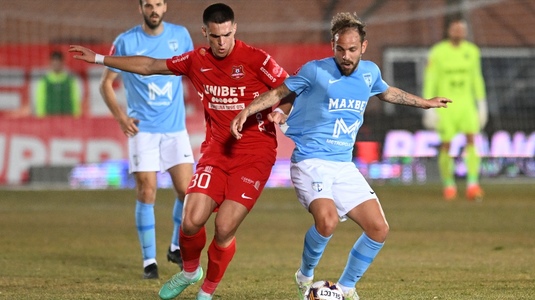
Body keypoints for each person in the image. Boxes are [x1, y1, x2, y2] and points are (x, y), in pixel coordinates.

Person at [70, 3, 289, 299]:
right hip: (217, 152)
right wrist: (99, 58)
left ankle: (207, 291)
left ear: (234, 29)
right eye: (215, 36)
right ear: (205, 33)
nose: (222, 42)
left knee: (224, 227)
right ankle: (189, 272)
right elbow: (149, 66)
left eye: (226, 35)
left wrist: (282, 112)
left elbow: (290, 87)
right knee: (190, 220)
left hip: (255, 155)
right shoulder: (195, 61)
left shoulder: (255, 58)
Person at [230, 12, 451, 300]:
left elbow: (388, 93)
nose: (345, 56)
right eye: (340, 49)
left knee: (378, 229)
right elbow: (279, 92)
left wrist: (425, 103)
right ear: (333, 45)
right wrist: (248, 110)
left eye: (352, 50)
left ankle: (346, 288)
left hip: (343, 165)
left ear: (364, 47)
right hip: (311, 162)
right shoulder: (315, 71)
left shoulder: (370, 73)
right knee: (328, 221)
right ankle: (305, 276)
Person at [99, 0, 194, 279]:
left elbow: (195, 70)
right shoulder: (126, 41)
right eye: (149, 4)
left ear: (166, 7)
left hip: (175, 129)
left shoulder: (181, 36)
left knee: (187, 192)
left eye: (159, 4)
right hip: (144, 131)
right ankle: (149, 262)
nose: (154, 9)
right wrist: (120, 117)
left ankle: (175, 247)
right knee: (147, 191)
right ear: (140, 8)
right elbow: (105, 83)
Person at [422, 18, 487, 201]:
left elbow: (476, 78)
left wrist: (481, 103)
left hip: (466, 104)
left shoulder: (472, 51)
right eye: (455, 28)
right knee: (447, 145)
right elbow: (431, 79)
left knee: (472, 140)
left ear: (465, 32)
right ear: (449, 30)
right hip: (446, 104)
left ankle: (473, 184)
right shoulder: (437, 52)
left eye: (461, 29)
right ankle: (449, 185)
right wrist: (428, 106)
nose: (458, 32)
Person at [35, 50, 82, 117]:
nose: (56, 65)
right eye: (54, 62)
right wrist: (40, 117)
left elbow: (75, 100)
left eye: (58, 62)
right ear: (50, 63)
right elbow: (40, 100)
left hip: (67, 118)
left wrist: (77, 116)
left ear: (62, 63)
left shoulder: (70, 81)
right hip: (49, 119)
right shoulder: (44, 81)